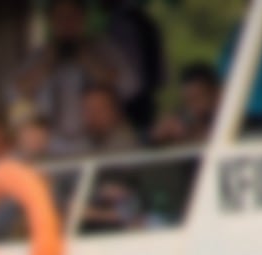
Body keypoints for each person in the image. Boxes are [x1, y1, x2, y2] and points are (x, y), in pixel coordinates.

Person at [11, 0, 136, 153]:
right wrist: (46, 64)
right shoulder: (40, 55)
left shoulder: (102, 49)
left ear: (83, 19)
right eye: (60, 18)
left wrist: (89, 61)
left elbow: (130, 87)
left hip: (96, 142)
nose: (66, 24)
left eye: (72, 17)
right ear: (51, 22)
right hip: (52, 143)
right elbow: (14, 92)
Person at [100, 0, 166, 136]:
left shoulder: (123, 23)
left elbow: (126, 68)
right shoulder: (142, 19)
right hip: (143, 97)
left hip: (133, 101)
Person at [152, 63, 221, 145]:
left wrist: (190, 136)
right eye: (187, 102)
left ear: (215, 94)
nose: (193, 108)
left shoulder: (229, 121)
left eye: (197, 99)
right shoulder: (184, 119)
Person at [79, 84, 138, 153]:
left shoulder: (125, 142)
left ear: (114, 111)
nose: (93, 116)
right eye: (88, 110)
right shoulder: (84, 139)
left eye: (99, 109)